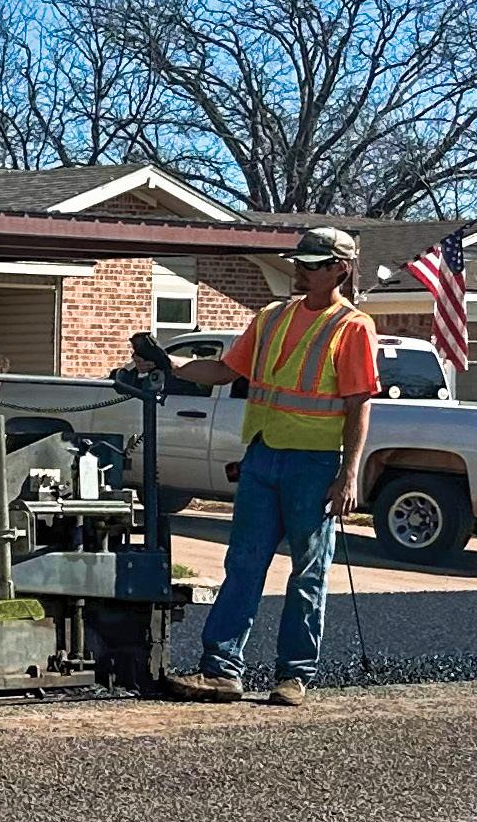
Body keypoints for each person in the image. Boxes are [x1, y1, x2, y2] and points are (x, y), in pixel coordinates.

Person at [145, 225, 378, 708]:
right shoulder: (271, 317)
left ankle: (293, 675)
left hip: (315, 465)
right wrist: (171, 365)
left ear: (340, 269)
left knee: (308, 572)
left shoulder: (352, 327)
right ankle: (221, 671)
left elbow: (359, 403)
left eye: (312, 266)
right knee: (244, 565)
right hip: (262, 455)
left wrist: (348, 474)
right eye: (299, 264)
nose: (300, 272)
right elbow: (225, 370)